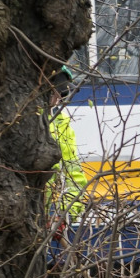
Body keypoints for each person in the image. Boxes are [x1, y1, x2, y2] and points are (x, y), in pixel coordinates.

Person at [46, 66, 89, 223]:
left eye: (61, 95)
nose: (58, 100)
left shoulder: (60, 122)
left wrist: (67, 214)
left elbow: (73, 173)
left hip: (38, 217)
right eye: (54, 93)